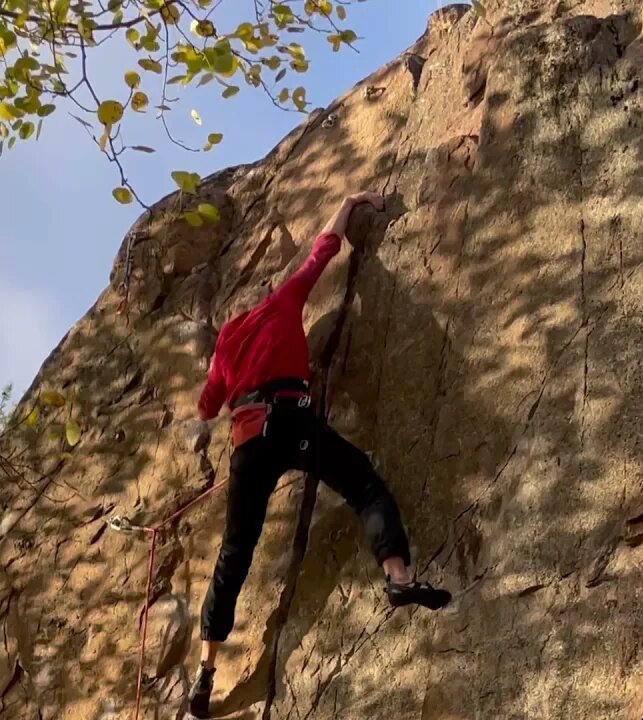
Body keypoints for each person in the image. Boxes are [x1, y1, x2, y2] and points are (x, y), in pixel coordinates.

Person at [184, 191, 452, 719]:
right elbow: (322, 251)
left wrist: (223, 375)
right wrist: (351, 201)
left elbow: (207, 406)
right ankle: (399, 578)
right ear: (262, 300)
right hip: (295, 421)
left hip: (249, 440)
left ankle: (206, 673)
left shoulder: (224, 351)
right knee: (362, 483)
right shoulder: (280, 303)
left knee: (234, 554)